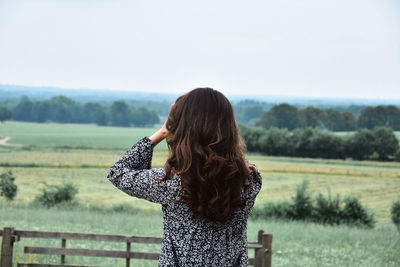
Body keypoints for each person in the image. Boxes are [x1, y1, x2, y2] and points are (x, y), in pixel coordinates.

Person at [107, 87, 262, 266]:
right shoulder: (250, 180)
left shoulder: (172, 183)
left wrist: (163, 132)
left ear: (183, 129)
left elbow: (117, 172)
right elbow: (230, 161)